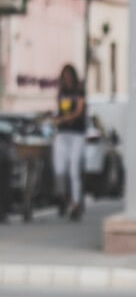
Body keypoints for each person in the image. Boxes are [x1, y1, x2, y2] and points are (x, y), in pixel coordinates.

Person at [53, 64, 87, 220]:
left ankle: (76, 202)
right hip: (62, 133)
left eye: (69, 74)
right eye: (64, 75)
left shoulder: (79, 90)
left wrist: (65, 118)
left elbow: (79, 110)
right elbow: (58, 111)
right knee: (60, 168)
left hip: (77, 134)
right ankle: (62, 198)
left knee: (74, 169)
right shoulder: (61, 91)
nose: (66, 78)